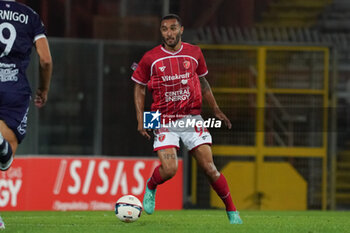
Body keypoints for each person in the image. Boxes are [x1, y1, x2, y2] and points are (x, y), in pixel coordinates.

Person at [132, 14, 242, 224]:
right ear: (161, 32)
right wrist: (140, 119)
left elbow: (203, 82)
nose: (169, 33)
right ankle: (151, 185)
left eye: (173, 28)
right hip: (161, 117)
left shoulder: (195, 53)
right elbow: (139, 87)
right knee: (170, 169)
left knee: (210, 169)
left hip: (191, 117)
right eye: (165, 29)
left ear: (181, 30)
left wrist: (216, 109)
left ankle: (232, 211)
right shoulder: (150, 58)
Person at [0, 0, 52, 229]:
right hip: (14, 90)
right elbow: (46, 59)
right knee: (4, 161)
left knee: (4, 160)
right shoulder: (30, 16)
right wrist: (44, 89)